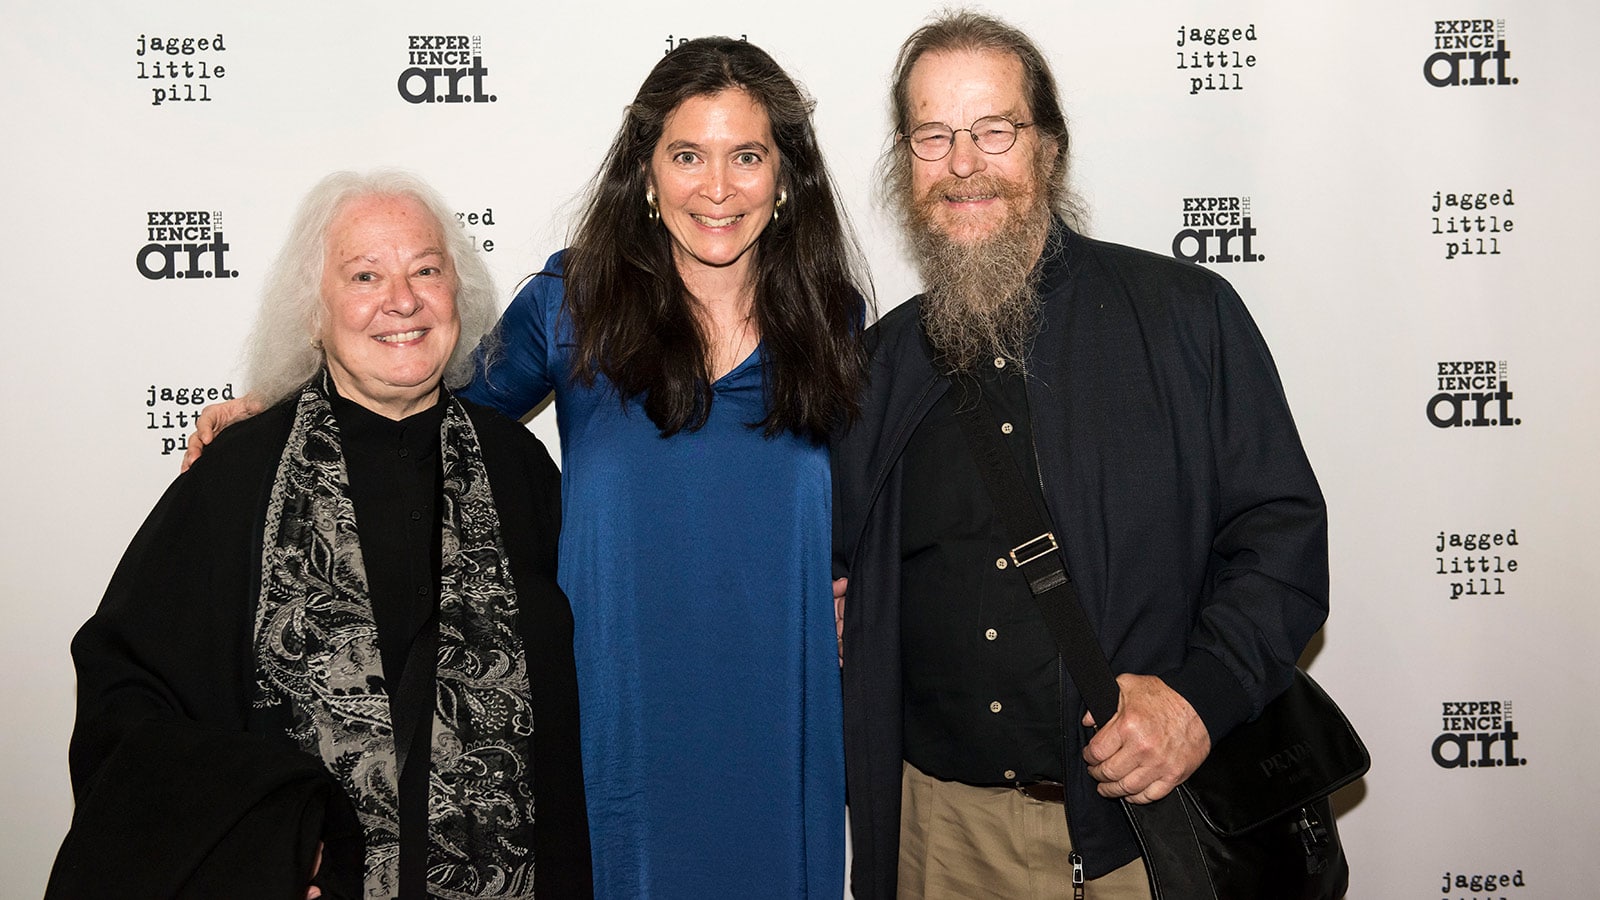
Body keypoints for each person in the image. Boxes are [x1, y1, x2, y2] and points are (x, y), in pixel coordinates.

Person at [184, 38, 867, 899]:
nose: (718, 187)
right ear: (648, 174)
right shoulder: (572, 307)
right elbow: (414, 403)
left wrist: (852, 584)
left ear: (785, 176)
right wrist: (274, 420)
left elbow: (867, 499)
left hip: (779, 716)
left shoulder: (831, 318)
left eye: (748, 156)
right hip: (616, 718)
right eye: (688, 155)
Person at [833, 11, 1330, 900]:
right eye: (932, 136)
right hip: (940, 840)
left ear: (1049, 148)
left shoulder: (1187, 318)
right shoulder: (879, 368)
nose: (963, 164)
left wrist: (1197, 700)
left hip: (1139, 835)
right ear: (905, 163)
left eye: (994, 130)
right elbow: (833, 566)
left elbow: (1283, 543)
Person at [49, 170, 592, 900]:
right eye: (365, 275)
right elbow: (126, 704)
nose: (402, 300)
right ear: (314, 312)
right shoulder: (239, 476)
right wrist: (255, 857)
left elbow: (590, 700)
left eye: (426, 270)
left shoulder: (518, 468)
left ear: (456, 294)